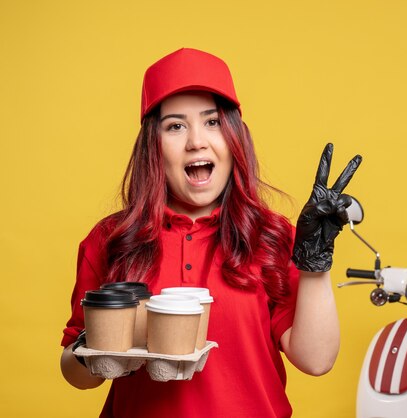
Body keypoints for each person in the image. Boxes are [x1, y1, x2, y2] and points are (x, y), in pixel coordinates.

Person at [59, 48, 361, 418]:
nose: (196, 141)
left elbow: (316, 360)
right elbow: (75, 371)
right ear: (152, 146)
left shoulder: (270, 235)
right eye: (175, 126)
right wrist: (100, 353)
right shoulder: (111, 239)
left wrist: (316, 261)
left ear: (235, 138)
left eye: (212, 122)